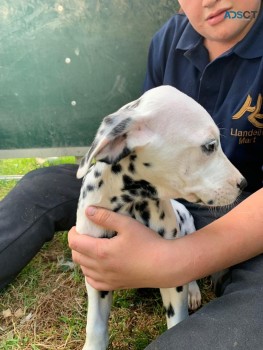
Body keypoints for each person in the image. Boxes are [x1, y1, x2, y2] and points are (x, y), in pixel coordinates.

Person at [0, 0, 262, 348]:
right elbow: (141, 141)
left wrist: (178, 260)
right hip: (149, 188)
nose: (208, 1)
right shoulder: (169, 39)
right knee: (39, 187)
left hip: (241, 207)